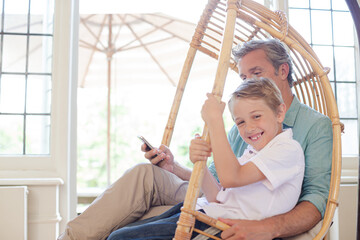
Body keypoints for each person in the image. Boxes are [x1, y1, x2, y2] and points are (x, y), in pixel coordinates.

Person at [58, 39, 332, 240]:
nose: (248, 83)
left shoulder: (307, 131)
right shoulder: (247, 125)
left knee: (123, 234)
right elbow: (217, 181)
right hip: (217, 198)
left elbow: (317, 199)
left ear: (283, 72)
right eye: (243, 77)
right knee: (145, 174)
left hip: (237, 211)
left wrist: (268, 228)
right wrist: (175, 166)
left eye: (256, 74)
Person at [106, 78, 305, 240]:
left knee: (119, 239)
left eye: (256, 116)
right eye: (240, 122)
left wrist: (215, 121)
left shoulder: (287, 149)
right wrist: (199, 161)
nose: (249, 128)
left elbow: (230, 178)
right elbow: (217, 196)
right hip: (204, 212)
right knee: (119, 233)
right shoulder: (254, 152)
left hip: (216, 226)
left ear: (279, 113)